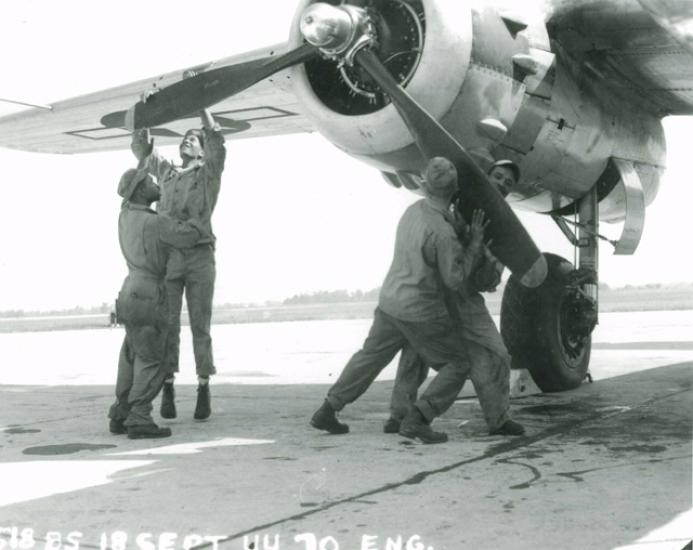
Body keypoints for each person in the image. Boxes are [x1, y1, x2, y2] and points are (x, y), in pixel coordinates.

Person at [310, 157, 489, 444]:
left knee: (370, 358)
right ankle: (418, 419)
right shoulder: (443, 234)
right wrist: (475, 241)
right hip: (420, 310)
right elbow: (455, 279)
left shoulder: (412, 212)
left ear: (425, 186)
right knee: (457, 364)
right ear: (455, 190)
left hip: (390, 302)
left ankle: (328, 409)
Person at [385, 159, 525, 437]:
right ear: (486, 176)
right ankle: (400, 415)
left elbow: (489, 281)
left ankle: (498, 419)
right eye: (497, 176)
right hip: (433, 291)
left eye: (508, 183)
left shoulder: (504, 227)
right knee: (416, 350)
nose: (502, 183)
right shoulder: (452, 202)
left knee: (495, 353)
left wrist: (482, 248)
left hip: (464, 295)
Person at [131, 110, 226, 421]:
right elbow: (145, 153)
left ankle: (203, 386)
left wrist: (203, 107)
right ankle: (168, 387)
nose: (187, 140)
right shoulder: (169, 174)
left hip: (199, 257)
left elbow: (218, 146)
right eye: (185, 139)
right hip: (170, 258)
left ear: (201, 149)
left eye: (194, 139)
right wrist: (143, 116)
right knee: (168, 325)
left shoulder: (207, 173)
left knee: (201, 325)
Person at [108, 168, 203, 439]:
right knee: (154, 358)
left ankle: (121, 412)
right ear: (139, 191)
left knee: (131, 353)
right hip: (150, 292)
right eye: (150, 182)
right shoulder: (155, 222)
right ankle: (139, 417)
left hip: (129, 291)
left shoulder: (124, 216)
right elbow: (189, 237)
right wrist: (195, 219)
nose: (156, 184)